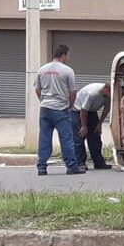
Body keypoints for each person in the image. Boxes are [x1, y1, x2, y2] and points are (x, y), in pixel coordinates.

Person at [34, 44, 83, 176]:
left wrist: (43, 101)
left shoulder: (42, 69)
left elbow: (37, 89)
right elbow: (73, 92)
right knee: (66, 139)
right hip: (61, 109)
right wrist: (70, 106)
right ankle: (71, 167)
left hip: (45, 109)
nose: (68, 58)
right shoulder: (68, 71)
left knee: (44, 138)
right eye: (68, 56)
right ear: (63, 55)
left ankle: (41, 167)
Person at [73, 82, 112, 171]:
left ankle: (99, 162)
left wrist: (100, 124)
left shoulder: (109, 95)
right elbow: (83, 111)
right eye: (109, 93)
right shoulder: (92, 93)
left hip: (92, 111)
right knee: (80, 136)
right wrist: (84, 126)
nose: (109, 96)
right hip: (78, 111)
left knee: (95, 136)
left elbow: (106, 109)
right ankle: (80, 162)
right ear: (105, 88)